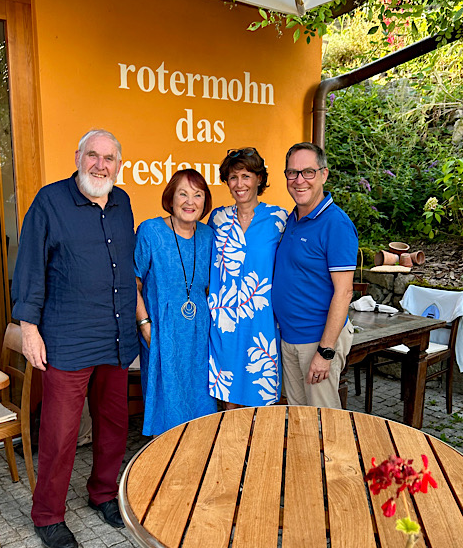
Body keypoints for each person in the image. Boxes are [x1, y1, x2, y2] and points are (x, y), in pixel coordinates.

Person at [11, 129, 138, 548]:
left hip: (115, 337)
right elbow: (30, 265)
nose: (100, 165)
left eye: (109, 158)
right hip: (66, 338)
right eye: (93, 156)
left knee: (114, 426)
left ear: (119, 164)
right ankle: (47, 514)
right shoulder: (50, 201)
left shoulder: (123, 205)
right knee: (61, 434)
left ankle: (103, 493)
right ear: (78, 156)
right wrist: (29, 328)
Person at [272, 142, 358, 409]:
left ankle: (333, 454)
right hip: (290, 338)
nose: (299, 180)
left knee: (325, 425)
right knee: (300, 421)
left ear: (324, 174)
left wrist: (325, 351)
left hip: (317, 342)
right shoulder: (292, 219)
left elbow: (344, 292)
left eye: (308, 172)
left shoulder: (336, 224)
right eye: (292, 173)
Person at [135, 169, 218, 436]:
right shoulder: (151, 231)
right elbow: (133, 283)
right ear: (171, 198)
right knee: (166, 405)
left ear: (205, 202)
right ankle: (165, 466)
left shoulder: (208, 236)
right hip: (162, 332)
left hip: (199, 336)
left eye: (197, 195)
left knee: (200, 403)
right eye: (182, 193)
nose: (189, 201)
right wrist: (145, 326)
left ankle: (197, 466)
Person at [208, 148, 288, 409]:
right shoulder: (217, 219)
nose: (239, 184)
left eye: (246, 176)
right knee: (228, 397)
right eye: (233, 177)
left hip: (261, 320)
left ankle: (259, 450)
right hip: (223, 320)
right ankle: (231, 449)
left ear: (259, 179)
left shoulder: (278, 219)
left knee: (259, 397)